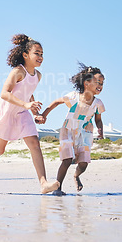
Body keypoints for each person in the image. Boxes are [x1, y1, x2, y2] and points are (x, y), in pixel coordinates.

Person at [0, 34, 59, 194]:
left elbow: (28, 92)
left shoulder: (38, 75)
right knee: (0, 149)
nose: (40, 57)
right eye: (37, 53)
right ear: (25, 55)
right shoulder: (18, 71)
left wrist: (34, 111)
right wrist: (26, 104)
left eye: (42, 54)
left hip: (22, 113)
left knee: (35, 144)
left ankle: (43, 183)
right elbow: (4, 93)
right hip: (7, 112)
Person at [38, 63, 105, 196]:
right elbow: (57, 102)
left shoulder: (98, 103)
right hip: (68, 130)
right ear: (86, 83)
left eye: (102, 83)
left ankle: (76, 176)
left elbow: (98, 119)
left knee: (84, 162)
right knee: (67, 160)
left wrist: (100, 130)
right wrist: (43, 115)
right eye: (97, 82)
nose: (100, 85)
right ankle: (57, 187)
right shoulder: (74, 96)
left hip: (85, 134)